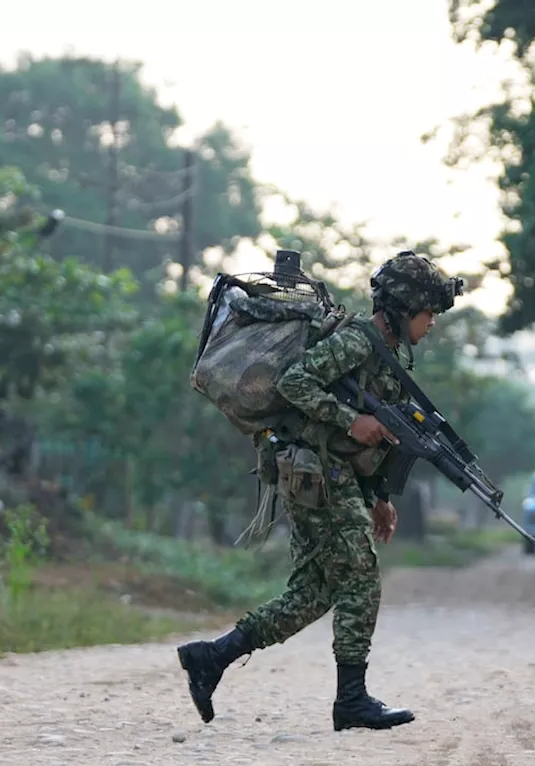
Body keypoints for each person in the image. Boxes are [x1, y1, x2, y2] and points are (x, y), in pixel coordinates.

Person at [177, 251, 462, 731]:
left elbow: (378, 434)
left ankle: (212, 657)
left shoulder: (385, 357)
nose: (431, 324)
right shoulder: (357, 342)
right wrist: (352, 421)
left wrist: (380, 498)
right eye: (427, 313)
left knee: (314, 591)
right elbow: (295, 383)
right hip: (316, 474)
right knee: (360, 576)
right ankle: (350, 700)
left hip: (328, 475)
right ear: (401, 308)